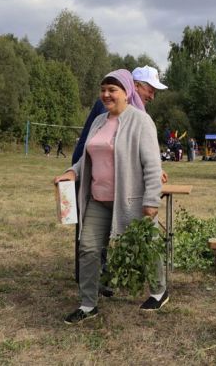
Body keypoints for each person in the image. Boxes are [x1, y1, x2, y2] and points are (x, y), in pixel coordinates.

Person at [54, 69, 165, 325]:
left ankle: (159, 291)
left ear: (127, 93)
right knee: (88, 249)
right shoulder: (99, 121)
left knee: (147, 246)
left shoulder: (141, 121)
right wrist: (72, 171)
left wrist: (151, 201)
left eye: (112, 90)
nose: (106, 94)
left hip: (131, 200)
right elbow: (87, 157)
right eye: (103, 89)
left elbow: (152, 165)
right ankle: (87, 304)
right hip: (98, 199)